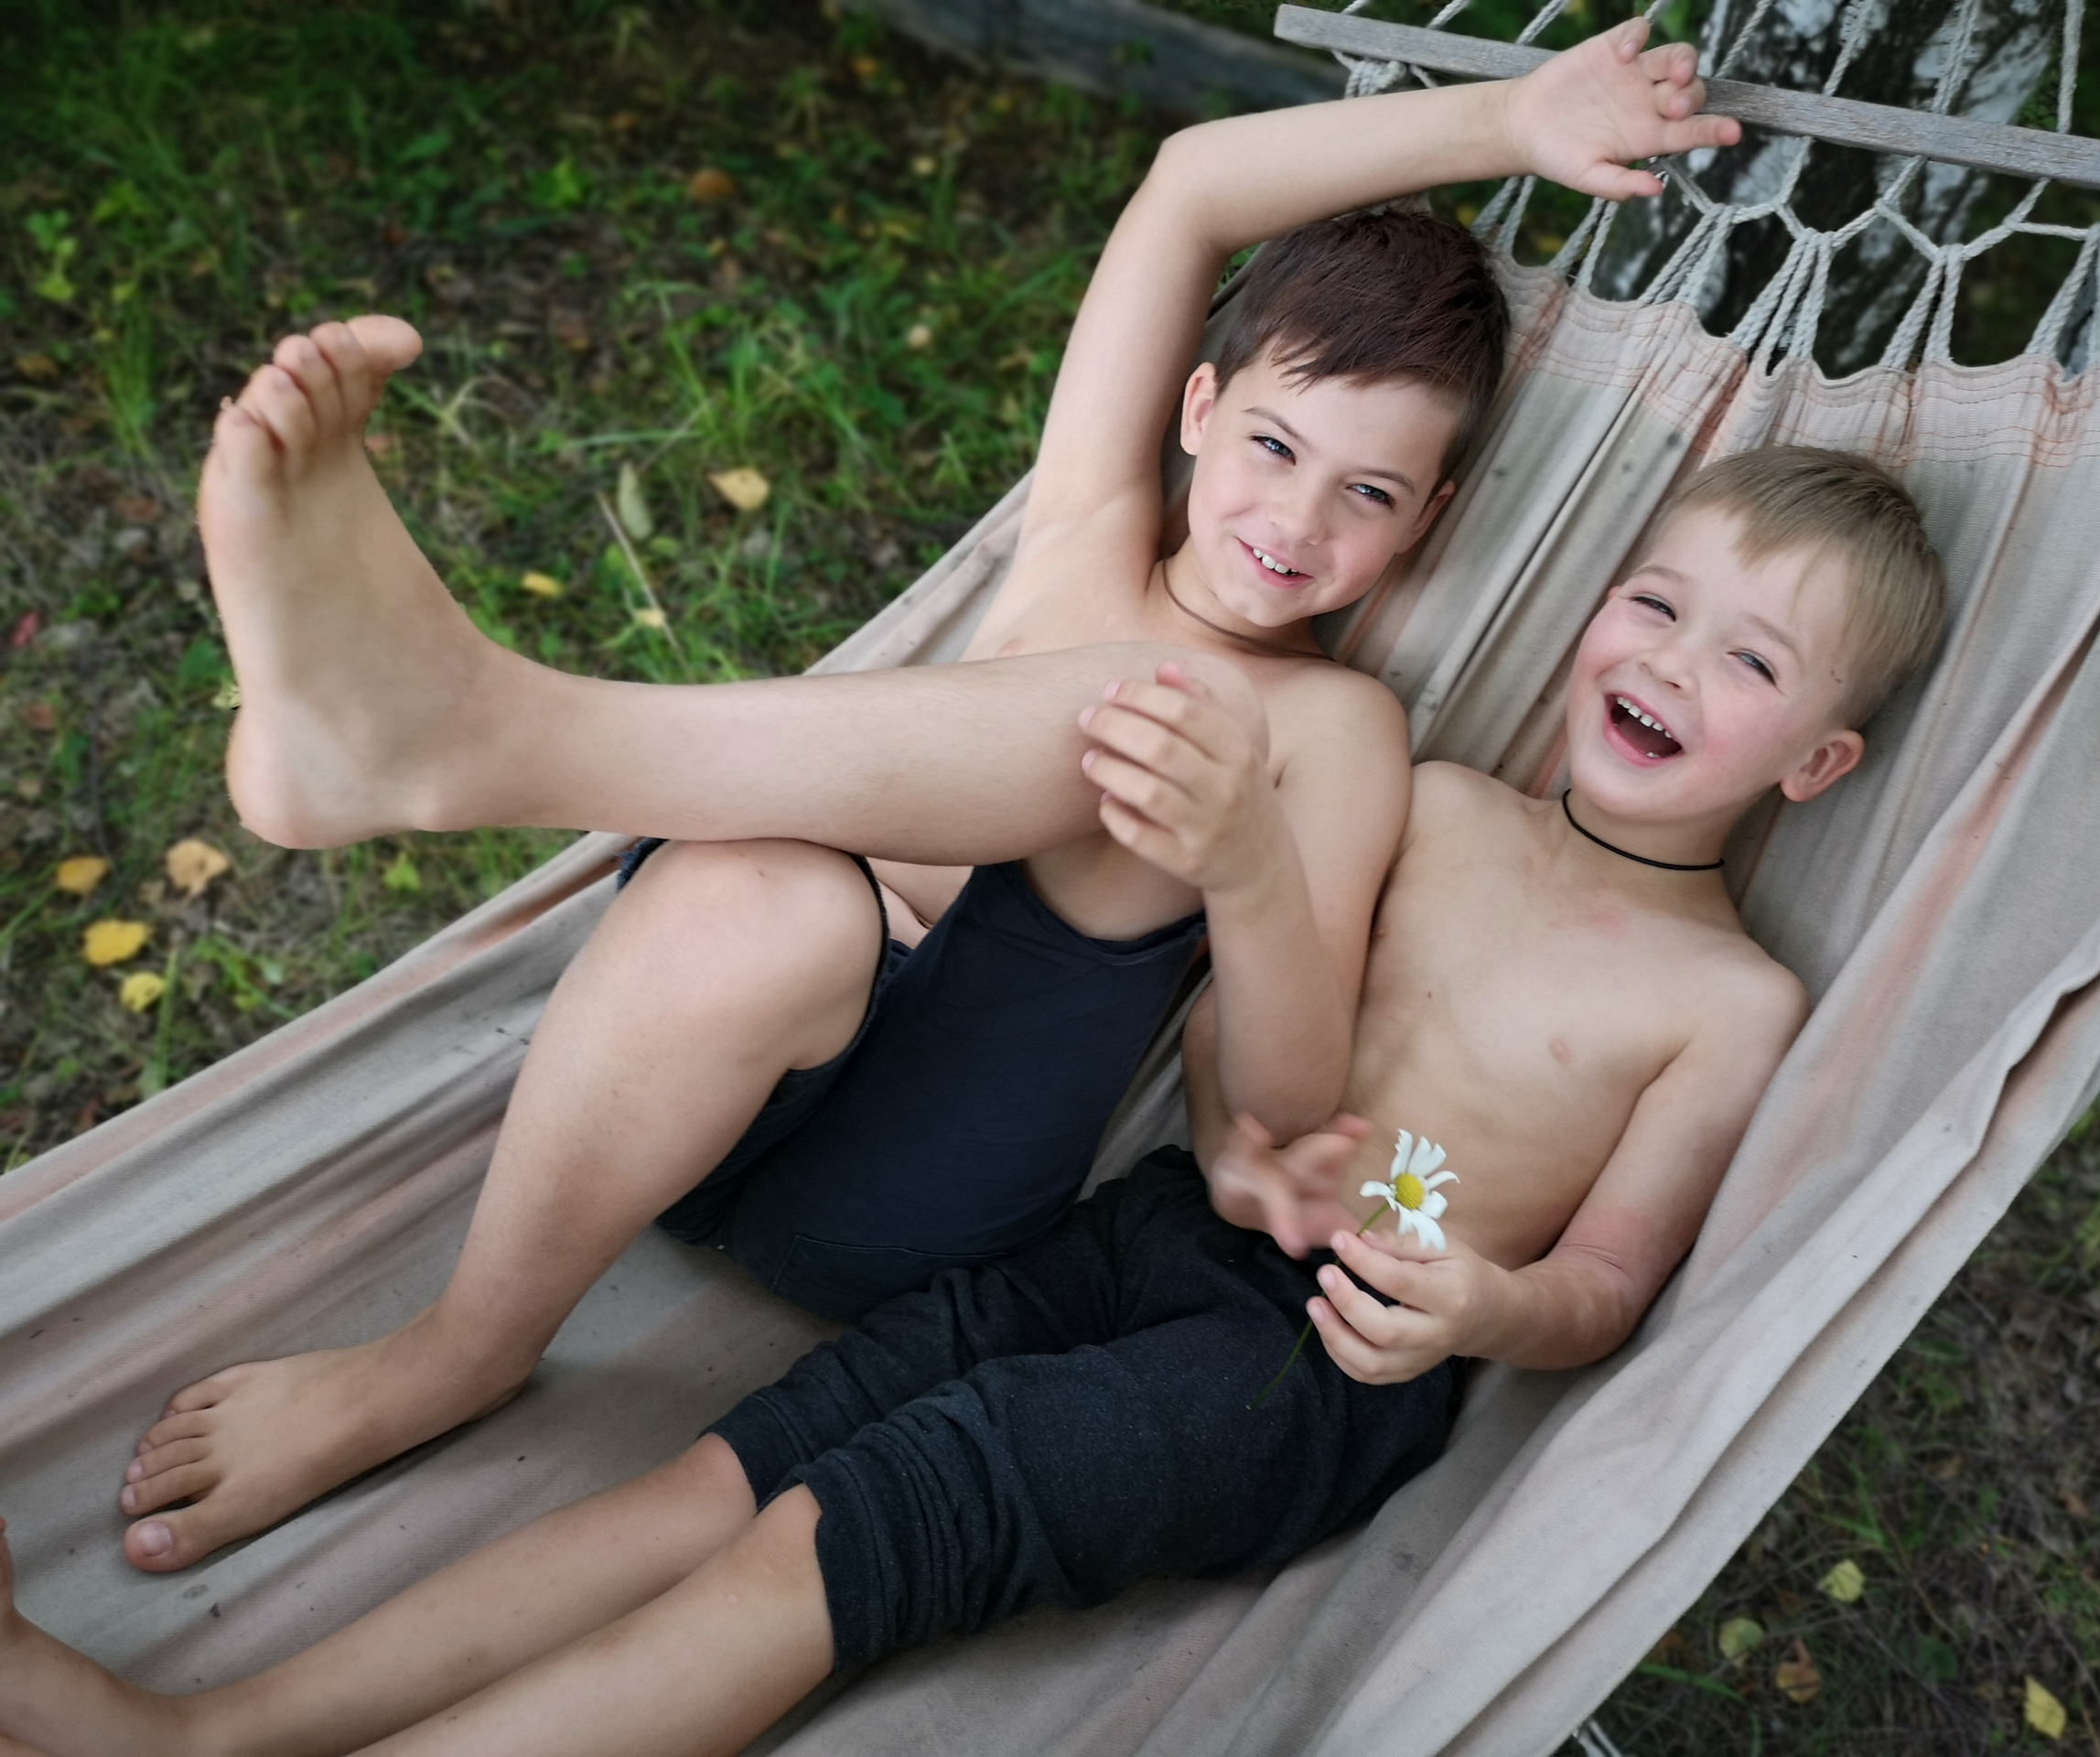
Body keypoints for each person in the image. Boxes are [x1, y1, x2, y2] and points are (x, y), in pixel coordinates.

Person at [0, 432, 1946, 1755]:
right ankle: (188, 1736)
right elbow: (1235, 1038)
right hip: (1149, 1235)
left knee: (836, 1540)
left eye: (1746, 659)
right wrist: (1250, 1107)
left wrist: (1486, 1304)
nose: (1669, 662)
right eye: (1652, 606)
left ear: (1817, 762)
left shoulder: (1723, 999)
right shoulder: (1428, 806)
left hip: (1318, 1372)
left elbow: (1604, 1287)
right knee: (721, 1475)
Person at [111, 18, 1735, 1578]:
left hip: (909, 1193)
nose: (1295, 522)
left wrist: (1242, 863)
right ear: (1194, 410)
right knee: (769, 899)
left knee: (1160, 711)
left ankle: (468, 745)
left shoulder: (1336, 729)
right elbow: (1186, 189)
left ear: (1429, 521)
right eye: (1273, 445)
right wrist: (1507, 127)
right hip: (691, 1073)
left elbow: (1272, 1105)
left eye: (1367, 494)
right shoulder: (1087, 524)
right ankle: (467, 1339)